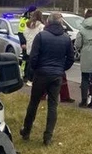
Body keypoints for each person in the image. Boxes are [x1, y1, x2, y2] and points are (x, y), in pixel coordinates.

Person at [21, 12, 75, 146]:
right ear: (61, 23)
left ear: (48, 22)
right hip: (56, 75)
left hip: (41, 73)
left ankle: (27, 131)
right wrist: (61, 69)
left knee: (34, 103)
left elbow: (33, 57)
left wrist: (35, 70)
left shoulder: (41, 36)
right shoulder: (65, 38)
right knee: (53, 105)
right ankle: (48, 137)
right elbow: (71, 58)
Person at [22, 9, 45, 84]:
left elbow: (24, 33)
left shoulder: (27, 24)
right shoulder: (41, 26)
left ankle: (28, 79)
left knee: (29, 63)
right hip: (37, 47)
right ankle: (32, 79)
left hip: (29, 45)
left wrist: (28, 40)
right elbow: (42, 36)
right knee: (36, 64)